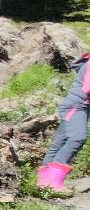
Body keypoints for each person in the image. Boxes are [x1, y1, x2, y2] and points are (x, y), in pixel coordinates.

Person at [36, 53, 89, 192]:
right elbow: (88, 88)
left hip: (75, 105)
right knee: (78, 137)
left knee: (60, 141)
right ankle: (53, 181)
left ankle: (44, 183)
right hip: (77, 106)